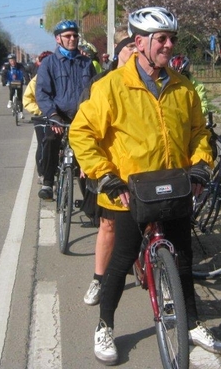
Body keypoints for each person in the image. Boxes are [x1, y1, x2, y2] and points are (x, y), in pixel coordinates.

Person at [70, 6, 221, 365]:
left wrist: (201, 165)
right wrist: (105, 175)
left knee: (184, 259)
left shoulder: (182, 86)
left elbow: (199, 132)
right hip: (127, 192)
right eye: (162, 39)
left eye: (172, 38)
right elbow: (81, 133)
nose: (169, 45)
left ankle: (191, 324)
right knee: (121, 260)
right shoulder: (111, 86)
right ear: (139, 42)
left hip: (173, 188)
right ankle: (105, 325)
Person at [82, 29, 137, 307]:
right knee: (108, 226)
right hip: (111, 171)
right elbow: (85, 129)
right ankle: (99, 279)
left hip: (143, 171)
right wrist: (90, 164)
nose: (135, 54)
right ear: (118, 54)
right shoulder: (101, 82)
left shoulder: (152, 82)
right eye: (129, 49)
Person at [35, 20, 96, 200]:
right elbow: (42, 93)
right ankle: (47, 182)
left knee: (88, 151)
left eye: (75, 35)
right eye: (68, 36)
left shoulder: (86, 63)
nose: (72, 39)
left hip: (83, 116)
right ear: (58, 39)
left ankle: (90, 200)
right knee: (51, 139)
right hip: (58, 115)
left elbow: (96, 90)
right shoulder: (49, 63)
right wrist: (53, 115)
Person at [23, 51, 53, 184]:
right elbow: (27, 100)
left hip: (58, 117)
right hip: (41, 117)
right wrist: (40, 111)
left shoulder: (61, 78)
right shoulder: (36, 81)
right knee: (43, 144)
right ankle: (42, 173)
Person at [3, 53, 25, 120]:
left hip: (18, 81)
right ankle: (10, 101)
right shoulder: (6, 66)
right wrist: (4, 82)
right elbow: (3, 74)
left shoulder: (20, 66)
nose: (12, 62)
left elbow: (24, 72)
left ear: (15, 60)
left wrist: (26, 80)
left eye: (13, 60)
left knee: (19, 97)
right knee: (12, 90)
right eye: (11, 60)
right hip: (11, 81)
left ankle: (21, 112)